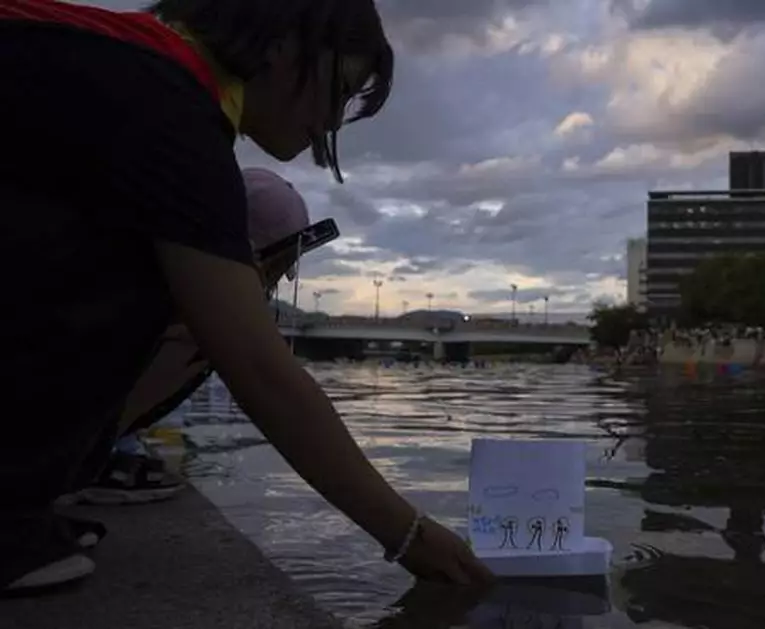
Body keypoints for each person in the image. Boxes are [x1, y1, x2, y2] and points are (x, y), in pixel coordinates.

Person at [0, 0, 491, 593]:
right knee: (201, 308)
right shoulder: (169, 111)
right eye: (339, 91)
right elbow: (258, 366)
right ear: (283, 42)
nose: (332, 122)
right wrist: (408, 533)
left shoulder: (125, 64)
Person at [69, 167, 314, 508]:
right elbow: (277, 394)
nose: (281, 279)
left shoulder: (133, 277)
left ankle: (94, 452)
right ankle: (78, 461)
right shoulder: (191, 314)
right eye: (281, 264)